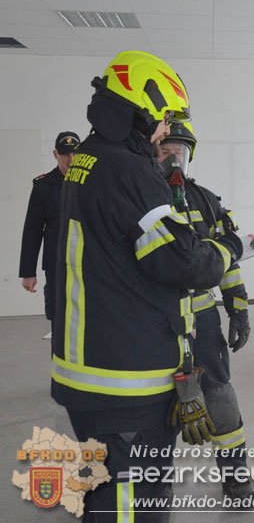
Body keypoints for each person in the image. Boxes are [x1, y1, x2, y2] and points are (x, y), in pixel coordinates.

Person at [52, 50, 243, 522]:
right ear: (139, 110)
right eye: (161, 119)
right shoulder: (129, 170)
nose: (164, 132)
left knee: (107, 491)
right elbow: (182, 263)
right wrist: (228, 250)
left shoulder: (88, 159)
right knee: (133, 506)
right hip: (124, 382)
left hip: (92, 369)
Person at [156, 123, 254, 500]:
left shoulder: (206, 200)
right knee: (153, 403)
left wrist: (239, 309)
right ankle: (154, 480)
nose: (173, 157)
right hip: (155, 323)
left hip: (202, 320)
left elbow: (226, 261)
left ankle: (236, 475)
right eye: (165, 149)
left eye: (179, 150)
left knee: (219, 397)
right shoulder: (138, 198)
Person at [19, 131, 81, 326]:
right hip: (57, 264)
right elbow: (32, 230)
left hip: (86, 262)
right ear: (56, 155)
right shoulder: (43, 186)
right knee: (59, 314)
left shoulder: (91, 183)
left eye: (75, 154)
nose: (70, 159)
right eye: (65, 155)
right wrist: (28, 272)